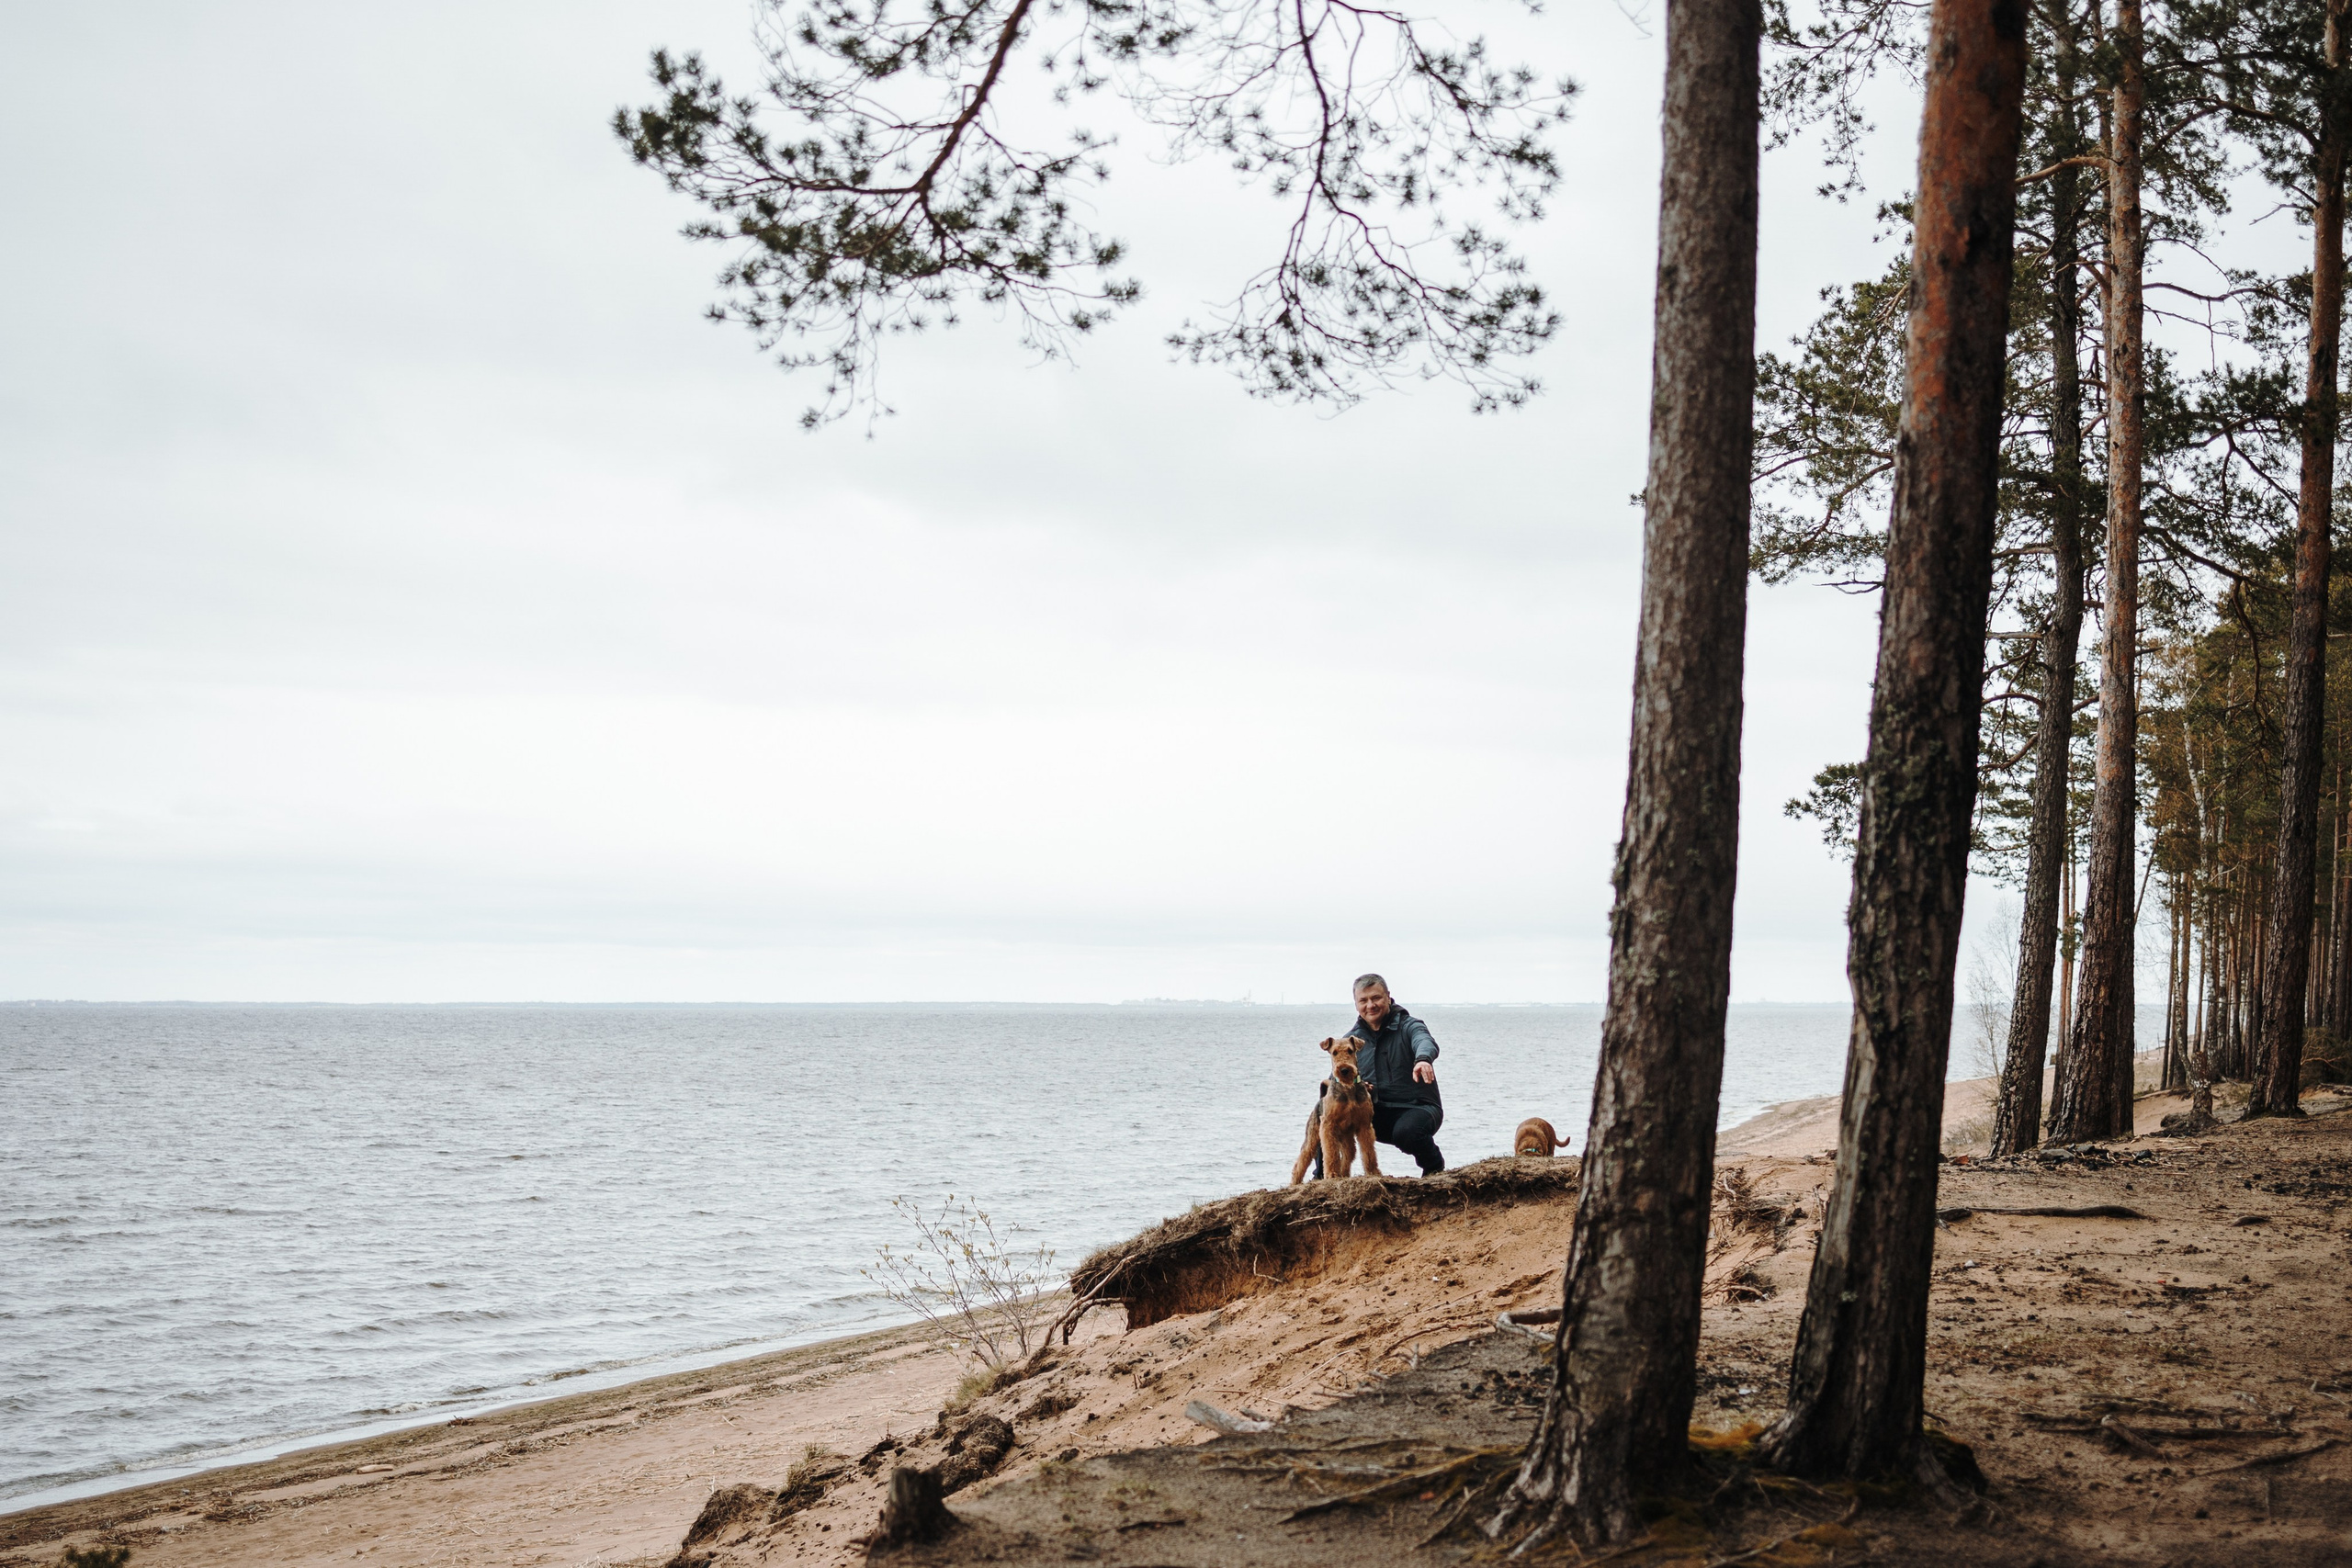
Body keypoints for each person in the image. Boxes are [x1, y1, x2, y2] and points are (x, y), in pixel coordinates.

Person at [1310, 973, 1445, 1178]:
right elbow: (1335, 1081)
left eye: (1376, 998)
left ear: (1388, 997)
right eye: (1363, 1000)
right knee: (1327, 1116)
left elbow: (1424, 1040)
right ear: (1356, 1004)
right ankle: (1321, 1178)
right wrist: (1357, 1086)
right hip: (1376, 1111)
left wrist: (1423, 1059)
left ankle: (1434, 1166)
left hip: (1418, 1107)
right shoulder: (1352, 1041)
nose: (1370, 1005)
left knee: (1407, 1133)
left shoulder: (1409, 1025)